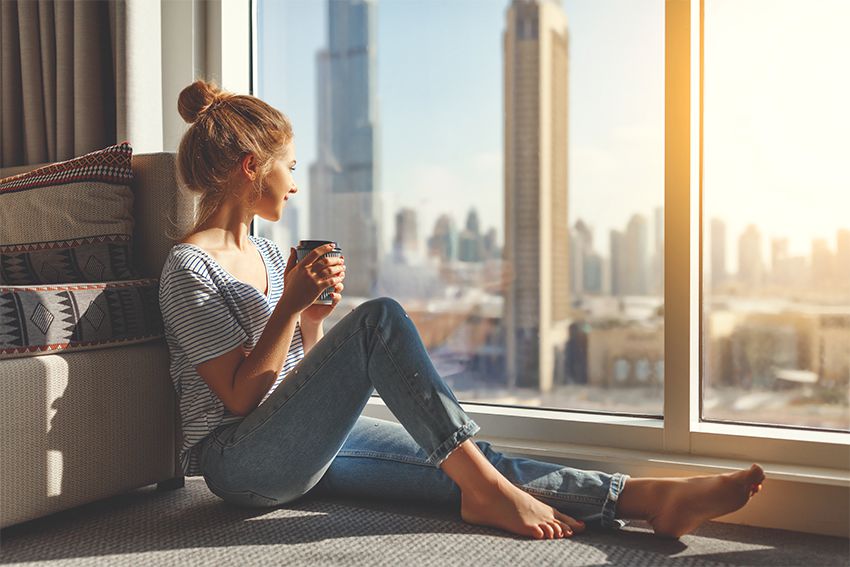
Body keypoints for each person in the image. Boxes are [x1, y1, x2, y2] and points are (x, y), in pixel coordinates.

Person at [158, 79, 765, 541]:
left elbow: (293, 381)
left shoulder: (266, 252)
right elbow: (239, 401)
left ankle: (646, 498)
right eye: (288, 164)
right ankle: (494, 494)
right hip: (240, 465)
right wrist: (290, 305)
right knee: (380, 320)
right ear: (251, 168)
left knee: (465, 459)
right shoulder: (189, 268)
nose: (294, 182)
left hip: (295, 443)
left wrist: (310, 322)